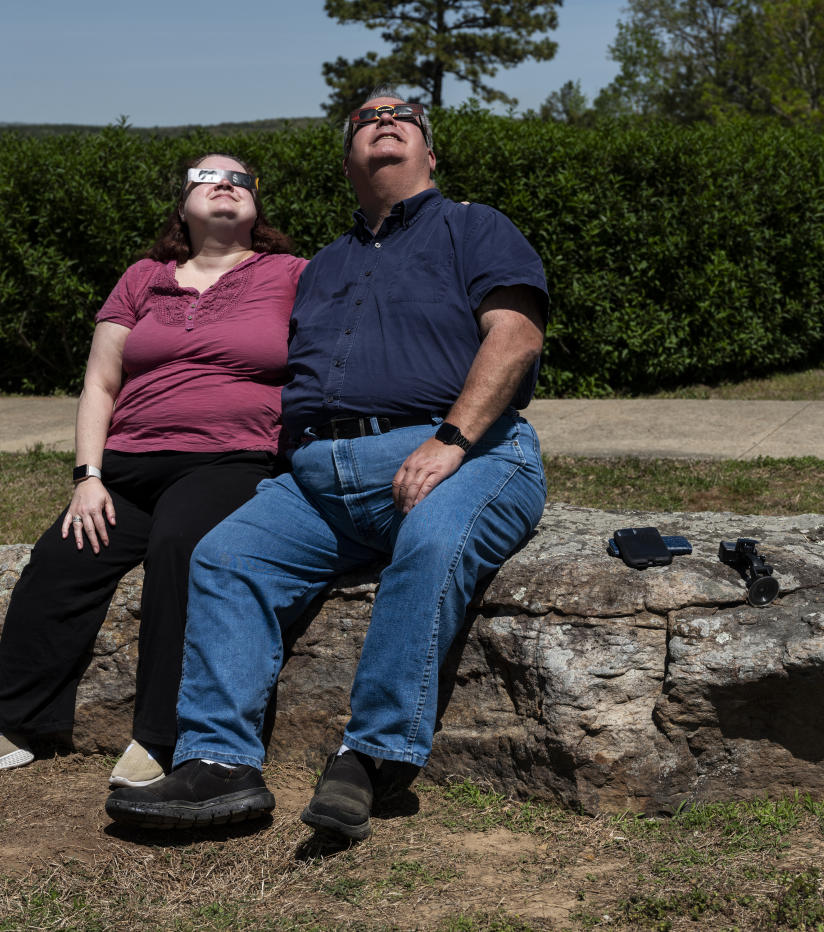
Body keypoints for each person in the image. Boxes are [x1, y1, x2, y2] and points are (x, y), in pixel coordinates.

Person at [105, 88, 549, 839]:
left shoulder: (474, 228)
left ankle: (370, 756)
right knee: (226, 555)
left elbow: (515, 337)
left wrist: (449, 440)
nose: (384, 121)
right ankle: (220, 765)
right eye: (366, 119)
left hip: (465, 452)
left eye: (401, 116)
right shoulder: (320, 265)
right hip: (320, 476)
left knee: (432, 543)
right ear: (348, 161)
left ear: (429, 154)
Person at [0, 154, 307, 788]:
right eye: (207, 178)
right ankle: (7, 727)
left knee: (179, 546)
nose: (225, 186)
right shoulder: (143, 278)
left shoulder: (292, 275)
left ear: (256, 205)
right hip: (128, 463)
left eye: (239, 180)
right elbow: (101, 385)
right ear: (182, 205)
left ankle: (159, 735)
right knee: (60, 557)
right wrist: (87, 476)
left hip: (231, 457)